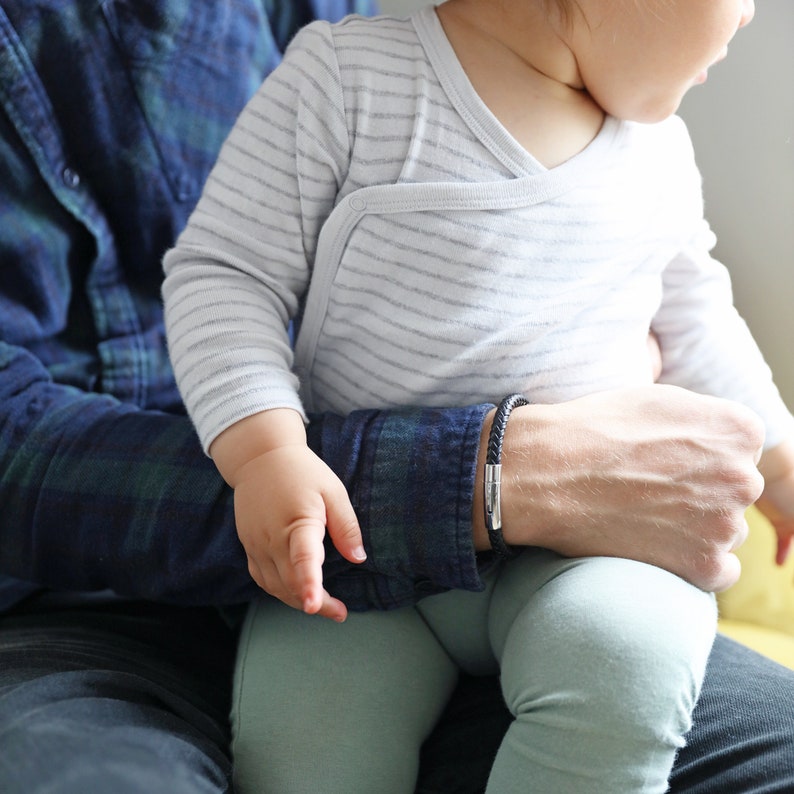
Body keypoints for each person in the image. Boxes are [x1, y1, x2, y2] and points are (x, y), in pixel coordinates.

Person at [1, 1, 794, 793]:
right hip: (359, 566)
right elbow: (227, 274)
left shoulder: (659, 150)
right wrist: (266, 450)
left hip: (589, 551)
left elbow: (698, 322)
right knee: (307, 740)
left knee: (626, 665)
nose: (751, 13)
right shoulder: (348, 81)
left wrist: (781, 460)